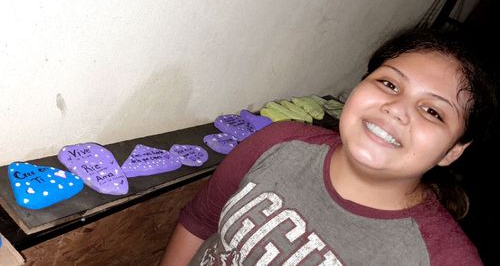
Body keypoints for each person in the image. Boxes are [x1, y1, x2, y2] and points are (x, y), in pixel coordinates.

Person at [159, 29, 497, 265]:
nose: (396, 108)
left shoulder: (442, 258)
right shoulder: (278, 142)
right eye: (389, 83)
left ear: (453, 150)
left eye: (432, 111)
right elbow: (200, 221)